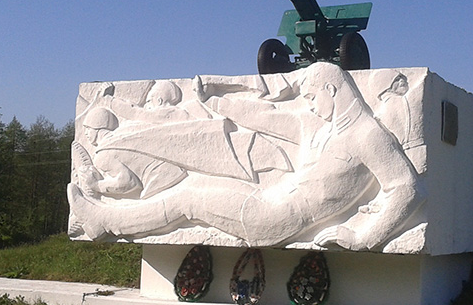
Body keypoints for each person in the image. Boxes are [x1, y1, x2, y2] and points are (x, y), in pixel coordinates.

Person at [68, 62, 425, 251]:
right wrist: (213, 101)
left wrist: (365, 238)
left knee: (188, 199)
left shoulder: (367, 135)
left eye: (314, 97)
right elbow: (265, 117)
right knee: (195, 187)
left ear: (332, 89)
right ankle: (105, 218)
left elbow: (407, 187)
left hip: (278, 220)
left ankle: (105, 221)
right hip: (269, 200)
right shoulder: (322, 128)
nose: (312, 106)